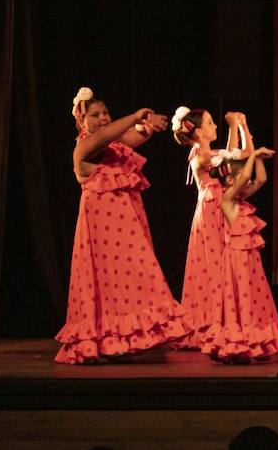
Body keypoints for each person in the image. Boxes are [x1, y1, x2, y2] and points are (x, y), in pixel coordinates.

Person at [57, 87, 187, 363]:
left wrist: (148, 126)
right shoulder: (83, 148)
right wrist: (134, 116)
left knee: (129, 278)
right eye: (95, 115)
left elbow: (132, 136)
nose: (103, 118)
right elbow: (106, 135)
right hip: (102, 231)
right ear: (82, 120)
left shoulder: (115, 145)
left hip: (123, 227)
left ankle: (122, 339)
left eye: (105, 113)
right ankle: (102, 339)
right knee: (105, 281)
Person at [203, 133, 278, 362]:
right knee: (242, 297)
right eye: (241, 179)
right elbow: (247, 176)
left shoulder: (240, 199)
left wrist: (258, 158)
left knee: (254, 297)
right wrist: (253, 154)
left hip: (250, 258)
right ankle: (239, 341)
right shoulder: (227, 198)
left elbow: (260, 179)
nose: (247, 184)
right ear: (230, 180)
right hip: (236, 258)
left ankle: (255, 341)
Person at [171, 105, 229, 349]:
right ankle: (213, 319)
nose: (215, 126)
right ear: (198, 132)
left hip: (218, 211)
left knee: (221, 263)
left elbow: (231, 155)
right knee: (212, 264)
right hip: (209, 212)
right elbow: (232, 155)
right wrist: (236, 126)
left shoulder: (206, 151)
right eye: (211, 123)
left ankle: (223, 318)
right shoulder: (200, 155)